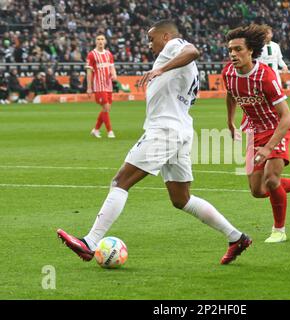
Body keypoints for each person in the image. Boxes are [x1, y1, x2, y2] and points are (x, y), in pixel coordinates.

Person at [57, 20, 251, 265]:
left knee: (120, 181)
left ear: (166, 36)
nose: (149, 44)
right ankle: (236, 237)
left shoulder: (174, 46)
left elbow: (193, 51)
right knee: (182, 199)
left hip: (164, 130)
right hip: (180, 130)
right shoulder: (182, 66)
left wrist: (161, 69)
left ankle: (90, 242)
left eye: (152, 38)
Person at [222, 24, 290, 243]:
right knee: (257, 191)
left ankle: (279, 230)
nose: (233, 54)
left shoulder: (265, 76)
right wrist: (230, 121)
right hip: (253, 131)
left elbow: (287, 117)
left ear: (250, 51)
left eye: (238, 49)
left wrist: (269, 147)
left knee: (271, 179)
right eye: (230, 50)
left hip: (275, 128)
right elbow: (231, 95)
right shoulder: (228, 72)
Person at [86, 33, 116, 139]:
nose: (100, 41)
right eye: (98, 39)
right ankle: (110, 131)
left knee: (106, 109)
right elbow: (89, 72)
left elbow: (112, 67)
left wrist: (114, 75)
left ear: (105, 41)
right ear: (95, 41)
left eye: (102, 39)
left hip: (108, 86)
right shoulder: (91, 54)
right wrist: (89, 88)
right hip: (99, 86)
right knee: (106, 107)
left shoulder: (109, 54)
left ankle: (96, 130)